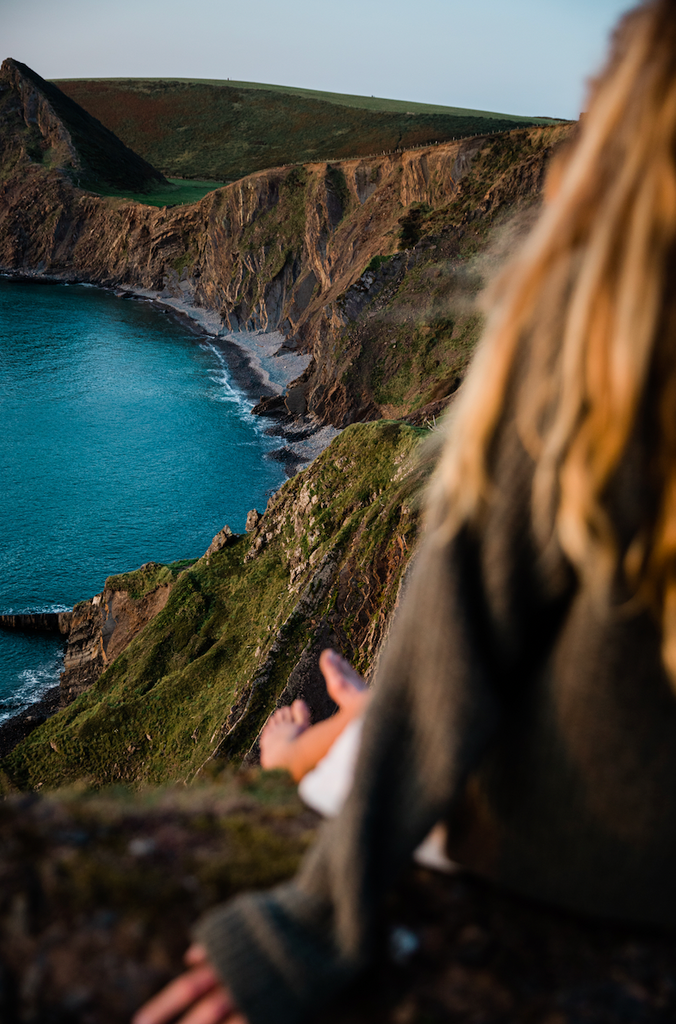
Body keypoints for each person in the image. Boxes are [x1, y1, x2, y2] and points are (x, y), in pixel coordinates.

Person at [134, 2, 676, 1022]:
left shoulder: (588, 368)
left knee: (356, 731)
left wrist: (309, 928)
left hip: (582, 856)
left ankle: (294, 751)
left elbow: (453, 659)